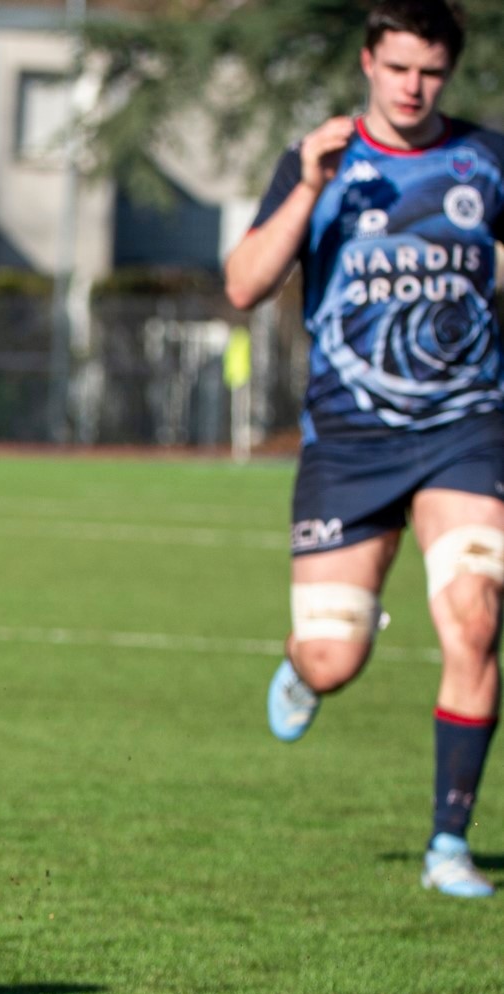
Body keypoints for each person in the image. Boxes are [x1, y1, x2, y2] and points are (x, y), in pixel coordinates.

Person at [229, 0, 504, 898]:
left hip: (465, 428)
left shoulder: (486, 161)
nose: (414, 87)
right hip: (349, 444)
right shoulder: (321, 161)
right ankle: (304, 666)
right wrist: (308, 186)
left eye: (431, 71)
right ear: (367, 63)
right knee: (332, 658)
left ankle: (448, 843)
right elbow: (243, 285)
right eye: (399, 69)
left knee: (475, 616)